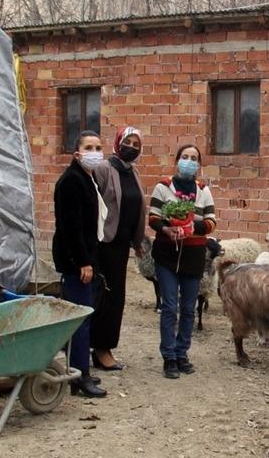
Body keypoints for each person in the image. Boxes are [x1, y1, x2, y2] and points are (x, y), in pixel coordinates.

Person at [148, 144, 216, 379]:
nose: (189, 161)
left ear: (199, 164)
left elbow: (211, 222)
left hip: (193, 256)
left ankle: (181, 353)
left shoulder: (203, 190)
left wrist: (192, 227)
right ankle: (168, 357)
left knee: (188, 309)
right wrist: (166, 229)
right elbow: (153, 217)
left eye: (194, 158)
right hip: (167, 255)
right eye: (185, 157)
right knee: (169, 307)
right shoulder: (163, 187)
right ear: (177, 160)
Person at [52, 130, 108, 398]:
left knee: (84, 315)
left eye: (98, 147)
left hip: (86, 257)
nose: (95, 152)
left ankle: (80, 370)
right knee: (80, 318)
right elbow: (70, 228)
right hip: (76, 261)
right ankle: (79, 377)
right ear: (77, 153)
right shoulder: (70, 181)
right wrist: (83, 262)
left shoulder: (87, 178)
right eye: (89, 147)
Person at [90, 126, 146, 371]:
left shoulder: (132, 171)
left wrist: (137, 241)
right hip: (104, 244)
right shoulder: (104, 169)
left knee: (117, 298)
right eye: (128, 142)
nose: (131, 147)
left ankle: (105, 346)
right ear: (118, 142)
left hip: (122, 245)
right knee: (105, 296)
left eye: (136, 144)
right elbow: (94, 204)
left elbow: (136, 207)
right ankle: (98, 349)